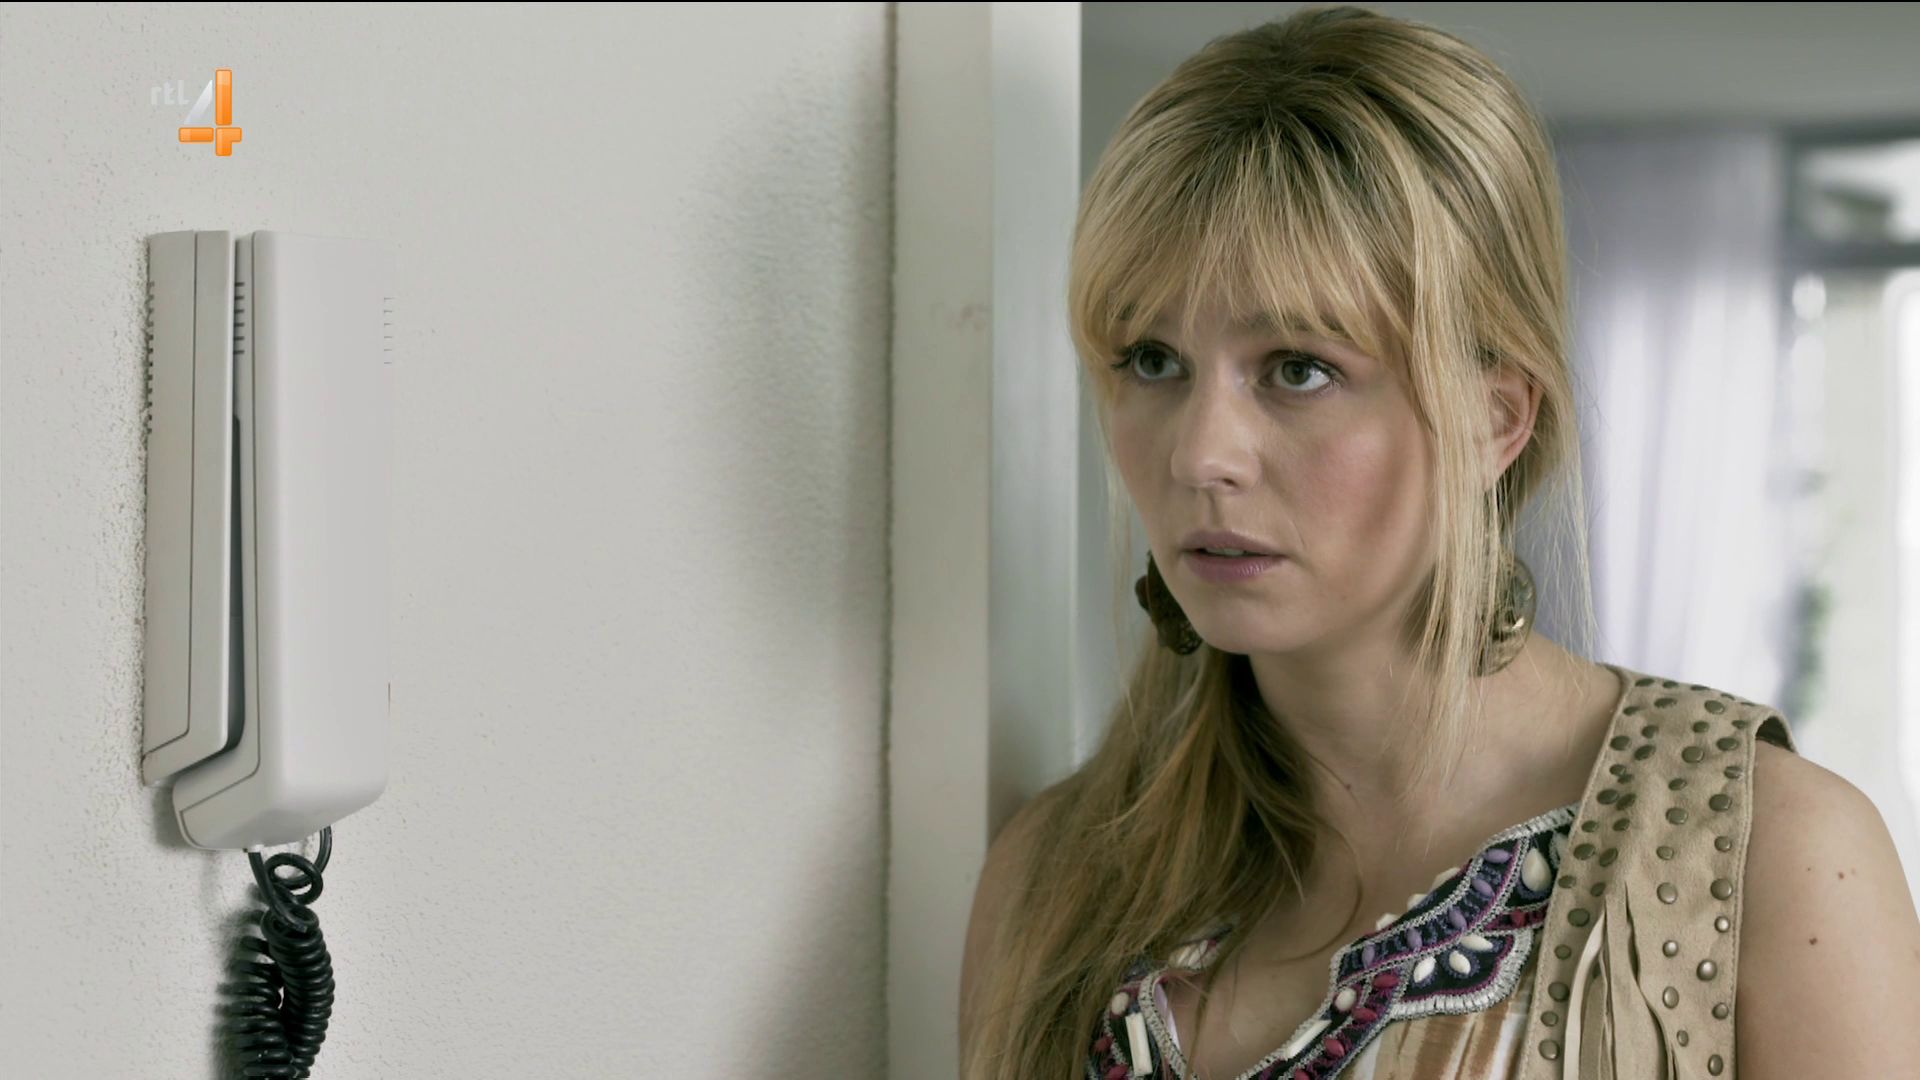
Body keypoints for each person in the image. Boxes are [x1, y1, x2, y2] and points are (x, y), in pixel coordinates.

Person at [956, 6, 1920, 1080]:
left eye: (1299, 369)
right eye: (1152, 359)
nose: (1200, 455)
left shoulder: (1768, 858)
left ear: (1494, 419)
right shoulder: (1055, 880)